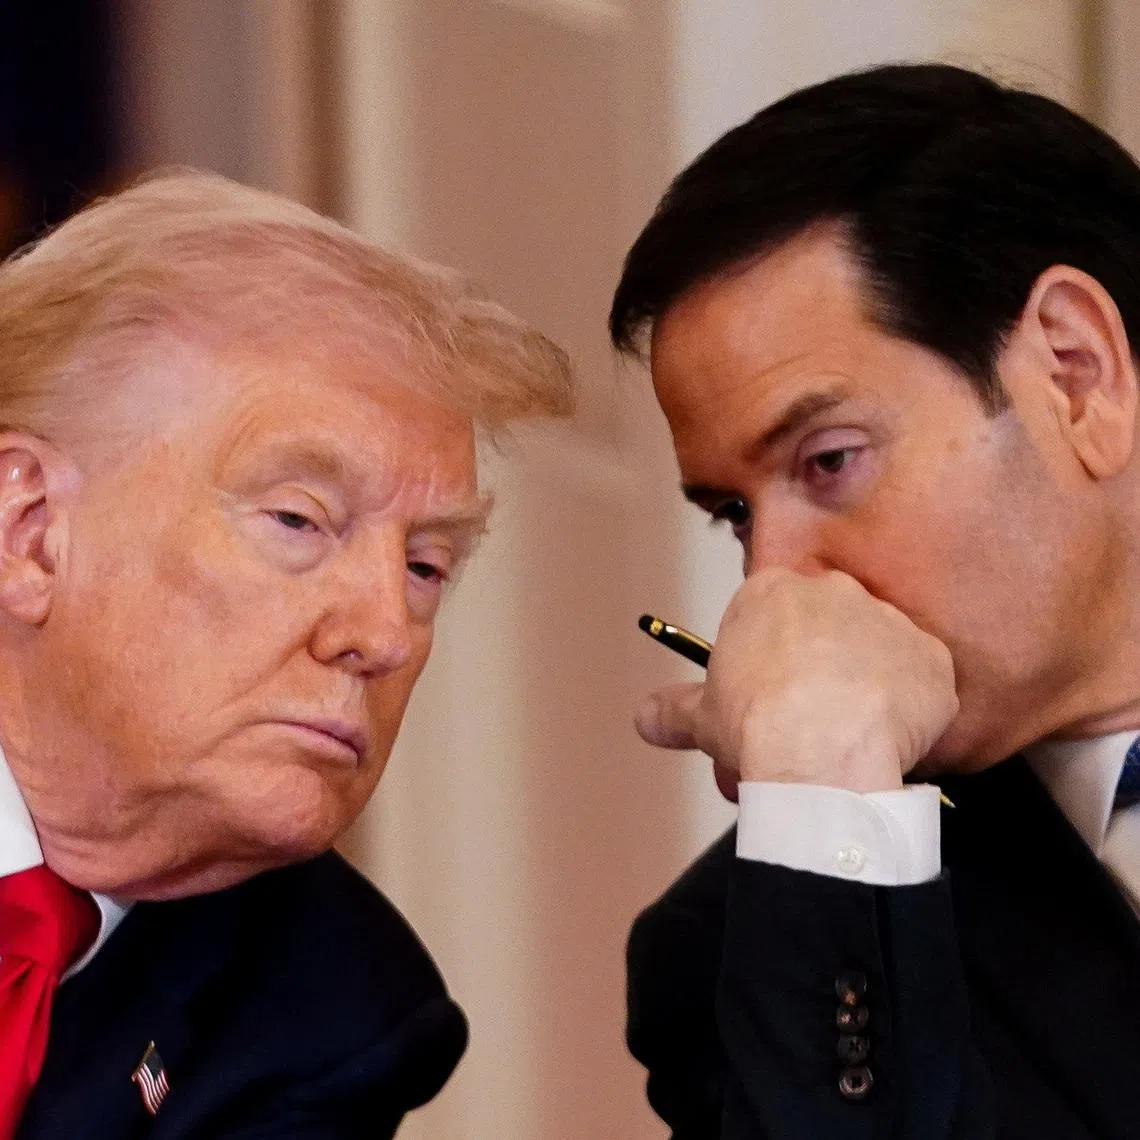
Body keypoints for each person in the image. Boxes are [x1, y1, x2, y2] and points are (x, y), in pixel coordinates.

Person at [610, 62, 1140, 1139]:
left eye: (829, 461)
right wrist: (823, 791)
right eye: (732, 512)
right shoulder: (764, 944)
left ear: (1076, 375)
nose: (773, 581)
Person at [1, 170, 570, 1140]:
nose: (386, 634)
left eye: (427, 567)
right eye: (300, 520)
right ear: (32, 530)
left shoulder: (335, 1012)